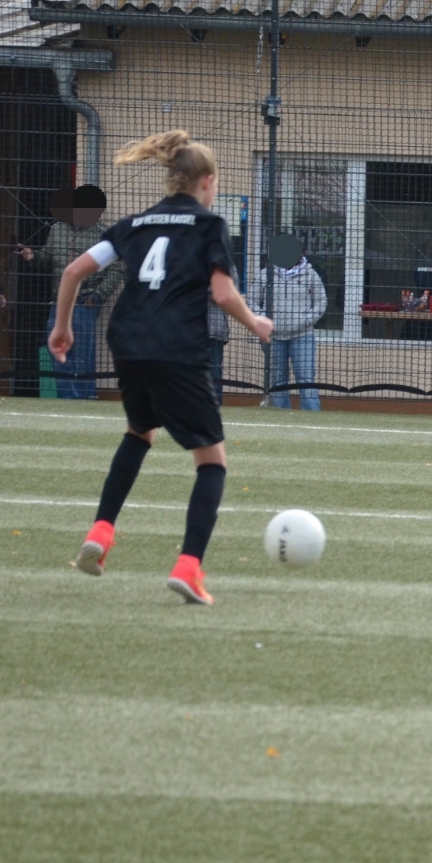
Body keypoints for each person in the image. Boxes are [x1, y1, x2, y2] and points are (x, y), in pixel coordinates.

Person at [50, 130, 274, 606]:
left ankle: (101, 531)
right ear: (206, 182)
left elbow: (72, 272)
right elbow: (222, 293)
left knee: (139, 431)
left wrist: (62, 327)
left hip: (129, 343)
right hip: (177, 348)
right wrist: (255, 322)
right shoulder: (209, 225)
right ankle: (189, 567)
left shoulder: (134, 224)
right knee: (211, 462)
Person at [31, 185, 118, 400]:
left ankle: (84, 397)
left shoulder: (103, 234)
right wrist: (32, 256)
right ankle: (67, 398)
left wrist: (97, 295)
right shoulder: (57, 229)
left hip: (84, 300)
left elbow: (116, 269)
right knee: (58, 352)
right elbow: (46, 257)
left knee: (81, 355)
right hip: (58, 301)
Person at [260, 251, 328, 410]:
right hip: (273, 336)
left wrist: (305, 321)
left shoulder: (311, 275)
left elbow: (321, 302)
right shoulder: (265, 274)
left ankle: (312, 416)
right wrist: (266, 320)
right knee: (277, 379)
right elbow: (252, 301)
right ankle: (280, 415)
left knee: (306, 378)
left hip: (302, 335)